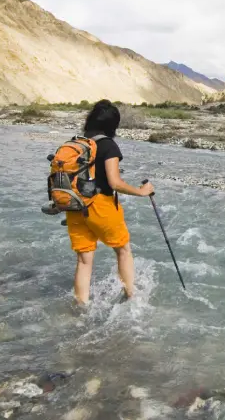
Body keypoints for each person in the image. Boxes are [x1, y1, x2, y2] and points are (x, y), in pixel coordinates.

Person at [65, 99, 154, 306]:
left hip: (74, 206)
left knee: (83, 261)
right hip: (100, 206)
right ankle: (131, 296)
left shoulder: (77, 143)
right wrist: (141, 192)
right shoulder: (108, 146)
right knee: (123, 250)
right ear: (112, 125)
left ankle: (80, 308)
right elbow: (115, 182)